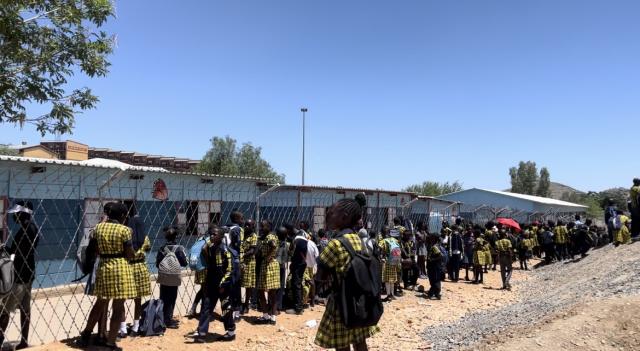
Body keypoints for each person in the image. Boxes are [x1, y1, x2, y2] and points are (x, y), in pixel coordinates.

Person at [314, 194, 379, 351]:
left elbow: (321, 276)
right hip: (360, 301)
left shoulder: (335, 244)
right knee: (359, 341)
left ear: (343, 217)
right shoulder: (359, 240)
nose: (328, 214)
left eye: (331, 212)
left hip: (341, 303)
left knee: (342, 345)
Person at [79, 202, 136, 351]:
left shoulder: (98, 228)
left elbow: (94, 249)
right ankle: (110, 343)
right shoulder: (125, 230)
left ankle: (86, 334)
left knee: (100, 304)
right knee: (118, 307)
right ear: (122, 216)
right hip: (120, 268)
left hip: (104, 267)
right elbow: (129, 253)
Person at [0, 201, 40, 350]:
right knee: (25, 309)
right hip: (29, 272)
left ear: (23, 213)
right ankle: (24, 341)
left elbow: (20, 253)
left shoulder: (26, 230)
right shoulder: (32, 228)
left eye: (16, 214)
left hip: (19, 275)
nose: (14, 217)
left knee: (5, 310)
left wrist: (8, 251)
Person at [191, 225, 236, 342]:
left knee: (226, 308)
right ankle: (201, 332)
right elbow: (209, 262)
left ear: (221, 237)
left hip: (223, 286)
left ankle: (231, 332)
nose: (212, 236)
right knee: (206, 307)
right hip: (212, 283)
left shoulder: (225, 250)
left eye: (215, 234)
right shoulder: (210, 248)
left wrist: (223, 284)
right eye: (211, 234)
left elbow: (230, 269)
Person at [121, 202, 151, 338]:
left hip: (126, 267)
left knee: (120, 299)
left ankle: (122, 328)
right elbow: (148, 248)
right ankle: (136, 326)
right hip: (140, 268)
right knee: (137, 299)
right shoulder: (145, 238)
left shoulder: (125, 236)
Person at [155, 226, 188, 329]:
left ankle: (162, 318)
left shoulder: (162, 248)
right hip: (174, 276)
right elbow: (184, 263)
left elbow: (157, 263)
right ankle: (168, 320)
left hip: (164, 276)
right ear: (176, 237)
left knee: (163, 297)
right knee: (172, 297)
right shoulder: (179, 248)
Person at [255, 220, 280, 325]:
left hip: (268, 265)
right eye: (260, 226)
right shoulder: (266, 237)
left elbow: (274, 246)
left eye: (263, 226)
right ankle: (269, 316)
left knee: (266, 291)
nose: (261, 228)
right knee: (267, 291)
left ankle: (269, 316)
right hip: (269, 265)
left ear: (269, 227)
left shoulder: (270, 237)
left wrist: (268, 257)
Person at [226, 211, 245, 322]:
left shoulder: (225, 227)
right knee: (236, 286)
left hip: (225, 260)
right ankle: (236, 313)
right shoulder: (238, 230)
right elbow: (240, 246)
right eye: (242, 218)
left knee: (228, 286)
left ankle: (228, 310)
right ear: (237, 219)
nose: (243, 220)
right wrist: (241, 262)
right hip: (234, 260)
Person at [287, 222, 309, 315]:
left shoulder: (297, 239)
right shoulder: (302, 235)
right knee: (297, 283)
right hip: (301, 263)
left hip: (299, 263)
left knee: (296, 284)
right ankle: (298, 305)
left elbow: (296, 252)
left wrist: (293, 261)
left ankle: (298, 308)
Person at [241, 219, 258, 315]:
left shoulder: (253, 236)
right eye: (246, 224)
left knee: (248, 285)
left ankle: (246, 305)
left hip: (249, 263)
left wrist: (242, 255)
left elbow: (252, 251)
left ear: (253, 227)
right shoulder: (242, 235)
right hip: (241, 262)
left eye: (249, 225)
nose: (246, 226)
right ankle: (239, 303)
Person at [379, 228, 401, 301]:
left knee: (387, 280)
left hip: (387, 261)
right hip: (394, 261)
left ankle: (388, 295)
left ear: (383, 233)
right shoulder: (395, 240)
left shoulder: (383, 241)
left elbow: (378, 249)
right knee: (392, 279)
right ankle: (392, 294)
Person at [274, 226, 290, 313]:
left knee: (273, 287)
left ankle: (272, 305)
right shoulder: (287, 244)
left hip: (274, 266)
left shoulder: (274, 243)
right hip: (281, 266)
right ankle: (278, 306)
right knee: (280, 286)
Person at [425, 234, 443, 300]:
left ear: (434, 239)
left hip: (434, 266)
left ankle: (436, 294)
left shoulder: (434, 247)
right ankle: (434, 293)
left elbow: (440, 256)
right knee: (434, 280)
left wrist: (432, 260)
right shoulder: (433, 246)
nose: (430, 239)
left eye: (431, 238)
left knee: (435, 280)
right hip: (433, 266)